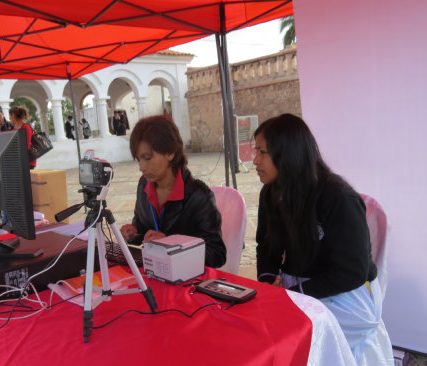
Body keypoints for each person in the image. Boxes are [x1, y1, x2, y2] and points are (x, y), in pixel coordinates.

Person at [253, 113, 385, 361]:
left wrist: (297, 292)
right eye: (256, 151)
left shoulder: (338, 198)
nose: (254, 160)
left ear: (287, 154)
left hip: (347, 298)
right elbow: (267, 246)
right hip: (299, 290)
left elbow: (351, 272)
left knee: (294, 340)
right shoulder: (270, 193)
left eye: (262, 152)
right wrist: (269, 282)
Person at [120, 115, 226, 268]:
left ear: (170, 153)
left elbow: (217, 254)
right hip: (154, 271)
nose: (141, 167)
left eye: (148, 158)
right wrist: (134, 232)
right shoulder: (144, 185)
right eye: (138, 159)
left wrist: (171, 243)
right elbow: (144, 229)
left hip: (186, 281)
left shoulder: (199, 196)